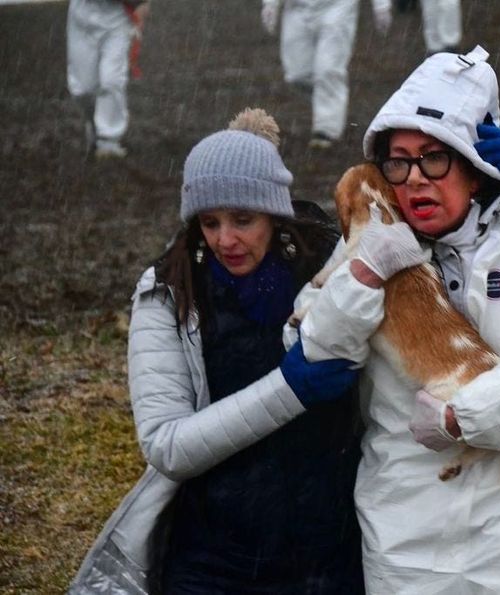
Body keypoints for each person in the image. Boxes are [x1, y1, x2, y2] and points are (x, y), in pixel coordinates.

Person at [294, 46, 500, 593]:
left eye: (434, 158)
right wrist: (366, 275)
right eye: (399, 161)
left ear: (473, 168)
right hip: (411, 538)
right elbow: (317, 351)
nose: (416, 178)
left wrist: (462, 417)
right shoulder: (370, 247)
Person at [68, 108, 365, 593]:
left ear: (273, 211)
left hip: (329, 551)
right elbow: (168, 445)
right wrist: (290, 389)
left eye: (243, 220)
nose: (225, 239)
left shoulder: (331, 270)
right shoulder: (169, 294)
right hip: (215, 556)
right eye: (209, 222)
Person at [260, 0, 392, 149]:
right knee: (297, 74)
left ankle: (326, 129)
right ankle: (332, 99)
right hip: (296, 9)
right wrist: (270, 4)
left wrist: (381, 6)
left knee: (328, 70)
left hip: (338, 7)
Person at [66, 0, 149, 159]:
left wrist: (142, 9)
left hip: (117, 17)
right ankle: (95, 124)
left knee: (111, 80)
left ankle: (109, 141)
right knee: (83, 89)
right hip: (81, 14)